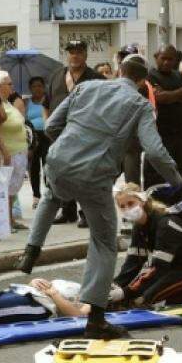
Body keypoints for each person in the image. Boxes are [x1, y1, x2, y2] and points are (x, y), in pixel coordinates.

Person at [17, 55, 182, 339]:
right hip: (94, 174)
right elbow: (155, 151)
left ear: (119, 71)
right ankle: (96, 319)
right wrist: (176, 180)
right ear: (143, 81)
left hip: (59, 161)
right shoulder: (139, 104)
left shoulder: (86, 87)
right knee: (105, 241)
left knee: (53, 195)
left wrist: (70, 150)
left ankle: (31, 250)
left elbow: (53, 125)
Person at [113, 183, 182, 305]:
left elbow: (158, 268)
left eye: (131, 203)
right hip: (174, 267)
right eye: (122, 206)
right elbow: (133, 263)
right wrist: (115, 287)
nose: (127, 209)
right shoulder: (139, 226)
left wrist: (126, 292)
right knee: (135, 295)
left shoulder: (165, 224)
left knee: (145, 298)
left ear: (142, 201)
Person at [47, 41, 104, 227]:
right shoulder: (57, 76)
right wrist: (48, 126)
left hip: (85, 135)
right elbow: (46, 105)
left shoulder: (95, 78)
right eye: (71, 53)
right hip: (60, 135)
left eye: (79, 52)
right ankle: (67, 209)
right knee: (62, 172)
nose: (75, 56)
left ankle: (86, 213)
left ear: (86, 55)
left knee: (85, 174)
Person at [145, 45, 182, 204]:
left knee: (179, 171)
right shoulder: (150, 76)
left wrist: (172, 94)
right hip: (158, 133)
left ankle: (178, 206)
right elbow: (160, 98)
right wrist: (181, 91)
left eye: (170, 59)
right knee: (156, 172)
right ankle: (155, 207)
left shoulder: (179, 76)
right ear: (156, 57)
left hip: (179, 133)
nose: (166, 62)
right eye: (163, 58)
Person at [0, 70, 29, 233]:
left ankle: (10, 218)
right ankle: (4, 221)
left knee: (13, 188)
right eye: (9, 83)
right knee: (4, 188)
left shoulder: (7, 102)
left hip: (19, 150)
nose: (12, 86)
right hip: (7, 152)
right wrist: (1, 150)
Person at [26, 76, 50, 209]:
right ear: (30, 88)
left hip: (47, 136)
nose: (37, 88)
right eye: (34, 86)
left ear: (44, 87)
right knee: (33, 168)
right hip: (33, 137)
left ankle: (48, 194)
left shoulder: (48, 100)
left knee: (48, 166)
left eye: (40, 85)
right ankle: (36, 196)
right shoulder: (26, 102)